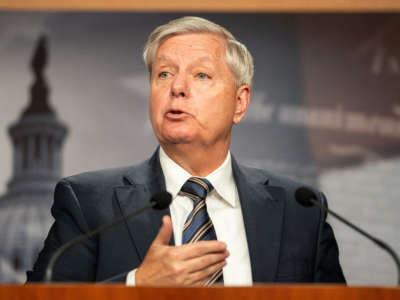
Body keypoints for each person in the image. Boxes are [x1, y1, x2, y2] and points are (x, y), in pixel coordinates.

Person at [27, 16, 345, 285]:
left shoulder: (301, 210)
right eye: (164, 73)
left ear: (240, 102)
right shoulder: (89, 203)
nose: (177, 87)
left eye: (201, 75)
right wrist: (136, 285)